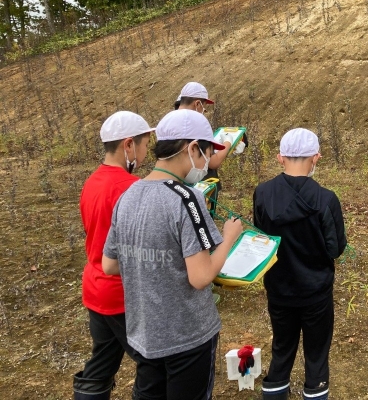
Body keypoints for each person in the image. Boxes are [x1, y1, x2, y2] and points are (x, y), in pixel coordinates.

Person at [102, 109, 243, 399]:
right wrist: (229, 238)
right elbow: (201, 276)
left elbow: (110, 264)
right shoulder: (187, 198)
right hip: (187, 337)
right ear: (192, 148)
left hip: (145, 334)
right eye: (205, 154)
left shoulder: (128, 195)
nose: (205, 164)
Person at [254, 128, 347, 400]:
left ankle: (274, 390)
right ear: (315, 158)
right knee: (317, 355)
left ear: (280, 158)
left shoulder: (262, 193)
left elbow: (262, 238)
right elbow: (335, 248)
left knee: (281, 350)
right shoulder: (325, 199)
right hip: (315, 292)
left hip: (279, 289)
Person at [73, 111, 155, 400]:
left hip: (95, 288)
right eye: (145, 144)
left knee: (101, 365)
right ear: (129, 145)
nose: (146, 153)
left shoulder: (91, 182)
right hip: (123, 294)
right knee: (153, 364)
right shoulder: (131, 188)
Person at [175, 81, 245, 215]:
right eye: (204, 107)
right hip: (199, 188)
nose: (203, 111)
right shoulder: (198, 123)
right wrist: (228, 144)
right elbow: (212, 162)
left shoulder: (167, 121)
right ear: (197, 104)